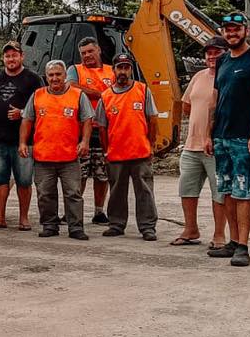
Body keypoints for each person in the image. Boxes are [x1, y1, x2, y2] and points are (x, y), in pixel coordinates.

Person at [206, 12, 250, 268]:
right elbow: (215, 101)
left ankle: (244, 246)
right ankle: (233, 242)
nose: (231, 33)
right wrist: (208, 134)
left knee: (242, 192)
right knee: (225, 191)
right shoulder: (223, 60)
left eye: (236, 29)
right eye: (227, 29)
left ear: (246, 30)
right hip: (221, 138)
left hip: (243, 138)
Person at [19, 59, 93, 239]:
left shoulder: (77, 95)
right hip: (43, 157)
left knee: (73, 194)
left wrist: (85, 142)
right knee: (45, 194)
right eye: (51, 75)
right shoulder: (37, 95)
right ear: (46, 77)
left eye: (58, 74)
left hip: (69, 157)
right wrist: (22, 143)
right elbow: (27, 120)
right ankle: (49, 225)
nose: (54, 78)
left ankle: (75, 228)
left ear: (65, 76)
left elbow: (87, 120)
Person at [0, 40, 43, 230]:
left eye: (14, 55)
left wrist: (22, 113)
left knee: (23, 180)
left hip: (23, 141)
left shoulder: (33, 78)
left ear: (22, 56)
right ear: (3, 58)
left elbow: (42, 104)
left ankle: (24, 218)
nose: (11, 59)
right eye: (7, 56)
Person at [94, 53, 160, 240]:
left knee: (145, 191)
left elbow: (152, 120)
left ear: (131, 69)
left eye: (126, 67)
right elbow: (102, 127)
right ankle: (116, 224)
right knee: (116, 192)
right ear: (113, 70)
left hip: (140, 152)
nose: (123, 71)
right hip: (116, 155)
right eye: (119, 67)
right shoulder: (106, 96)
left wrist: (151, 145)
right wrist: (107, 150)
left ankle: (147, 227)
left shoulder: (143, 90)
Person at [172, 37, 230, 248]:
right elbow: (186, 104)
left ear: (226, 53)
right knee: (186, 188)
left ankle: (219, 235)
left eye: (217, 52)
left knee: (220, 192)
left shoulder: (229, 77)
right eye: (209, 53)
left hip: (216, 146)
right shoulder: (198, 76)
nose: (212, 56)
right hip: (191, 145)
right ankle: (190, 229)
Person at [68, 37, 115, 226]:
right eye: (83, 53)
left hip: (105, 130)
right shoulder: (75, 70)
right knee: (79, 174)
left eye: (90, 51)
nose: (87, 55)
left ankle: (99, 211)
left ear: (98, 51)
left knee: (101, 174)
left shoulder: (111, 70)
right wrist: (100, 93)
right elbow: (72, 86)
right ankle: (74, 210)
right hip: (81, 131)